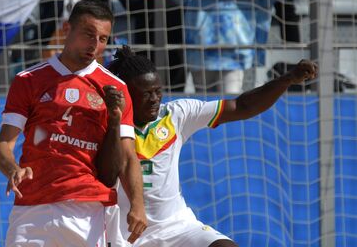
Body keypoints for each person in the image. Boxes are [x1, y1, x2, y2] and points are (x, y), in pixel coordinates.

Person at [105, 45, 318, 247]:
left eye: (157, 91)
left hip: (177, 227)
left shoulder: (176, 114)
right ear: (124, 95)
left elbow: (242, 106)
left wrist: (288, 79)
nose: (155, 100)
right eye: (145, 94)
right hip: (126, 234)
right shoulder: (106, 125)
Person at [0, 0, 147, 246]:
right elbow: (3, 144)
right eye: (88, 34)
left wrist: (138, 205)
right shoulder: (29, 80)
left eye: (103, 39)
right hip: (33, 207)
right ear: (67, 29)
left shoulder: (116, 88)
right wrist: (13, 170)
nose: (95, 45)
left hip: (88, 209)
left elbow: (129, 157)